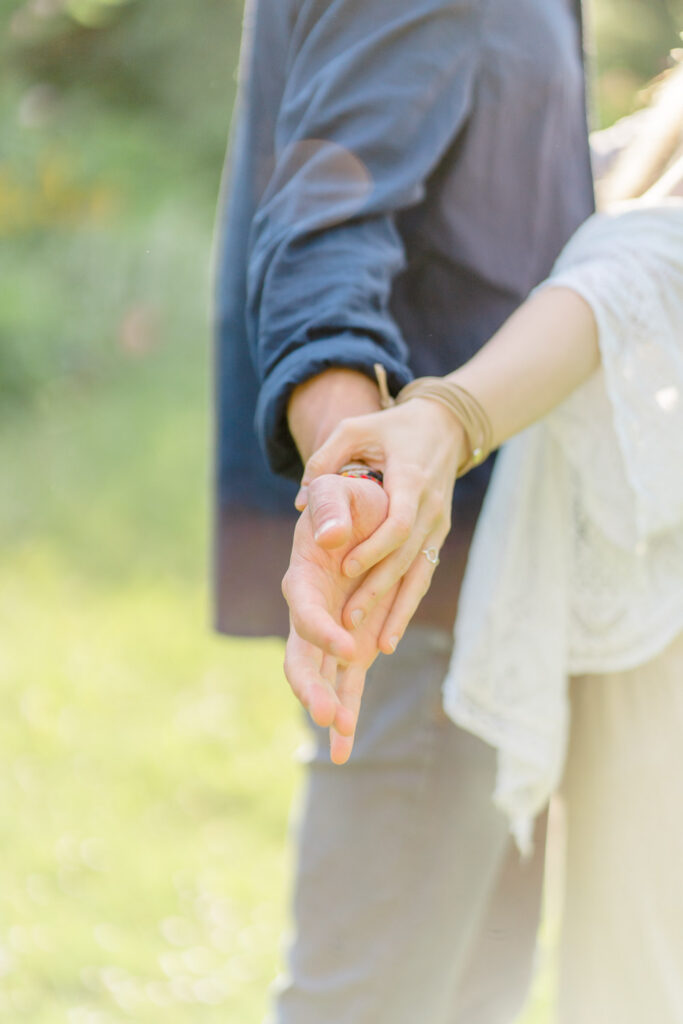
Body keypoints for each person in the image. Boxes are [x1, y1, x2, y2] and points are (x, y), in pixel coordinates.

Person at [212, 0, 593, 1020]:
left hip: (504, 578)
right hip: (428, 584)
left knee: (470, 991)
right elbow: (321, 224)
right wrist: (362, 482)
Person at [285, 58, 683, 1022]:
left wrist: (446, 420)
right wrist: (439, 423)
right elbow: (611, 280)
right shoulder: (634, 172)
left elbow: (627, 272)